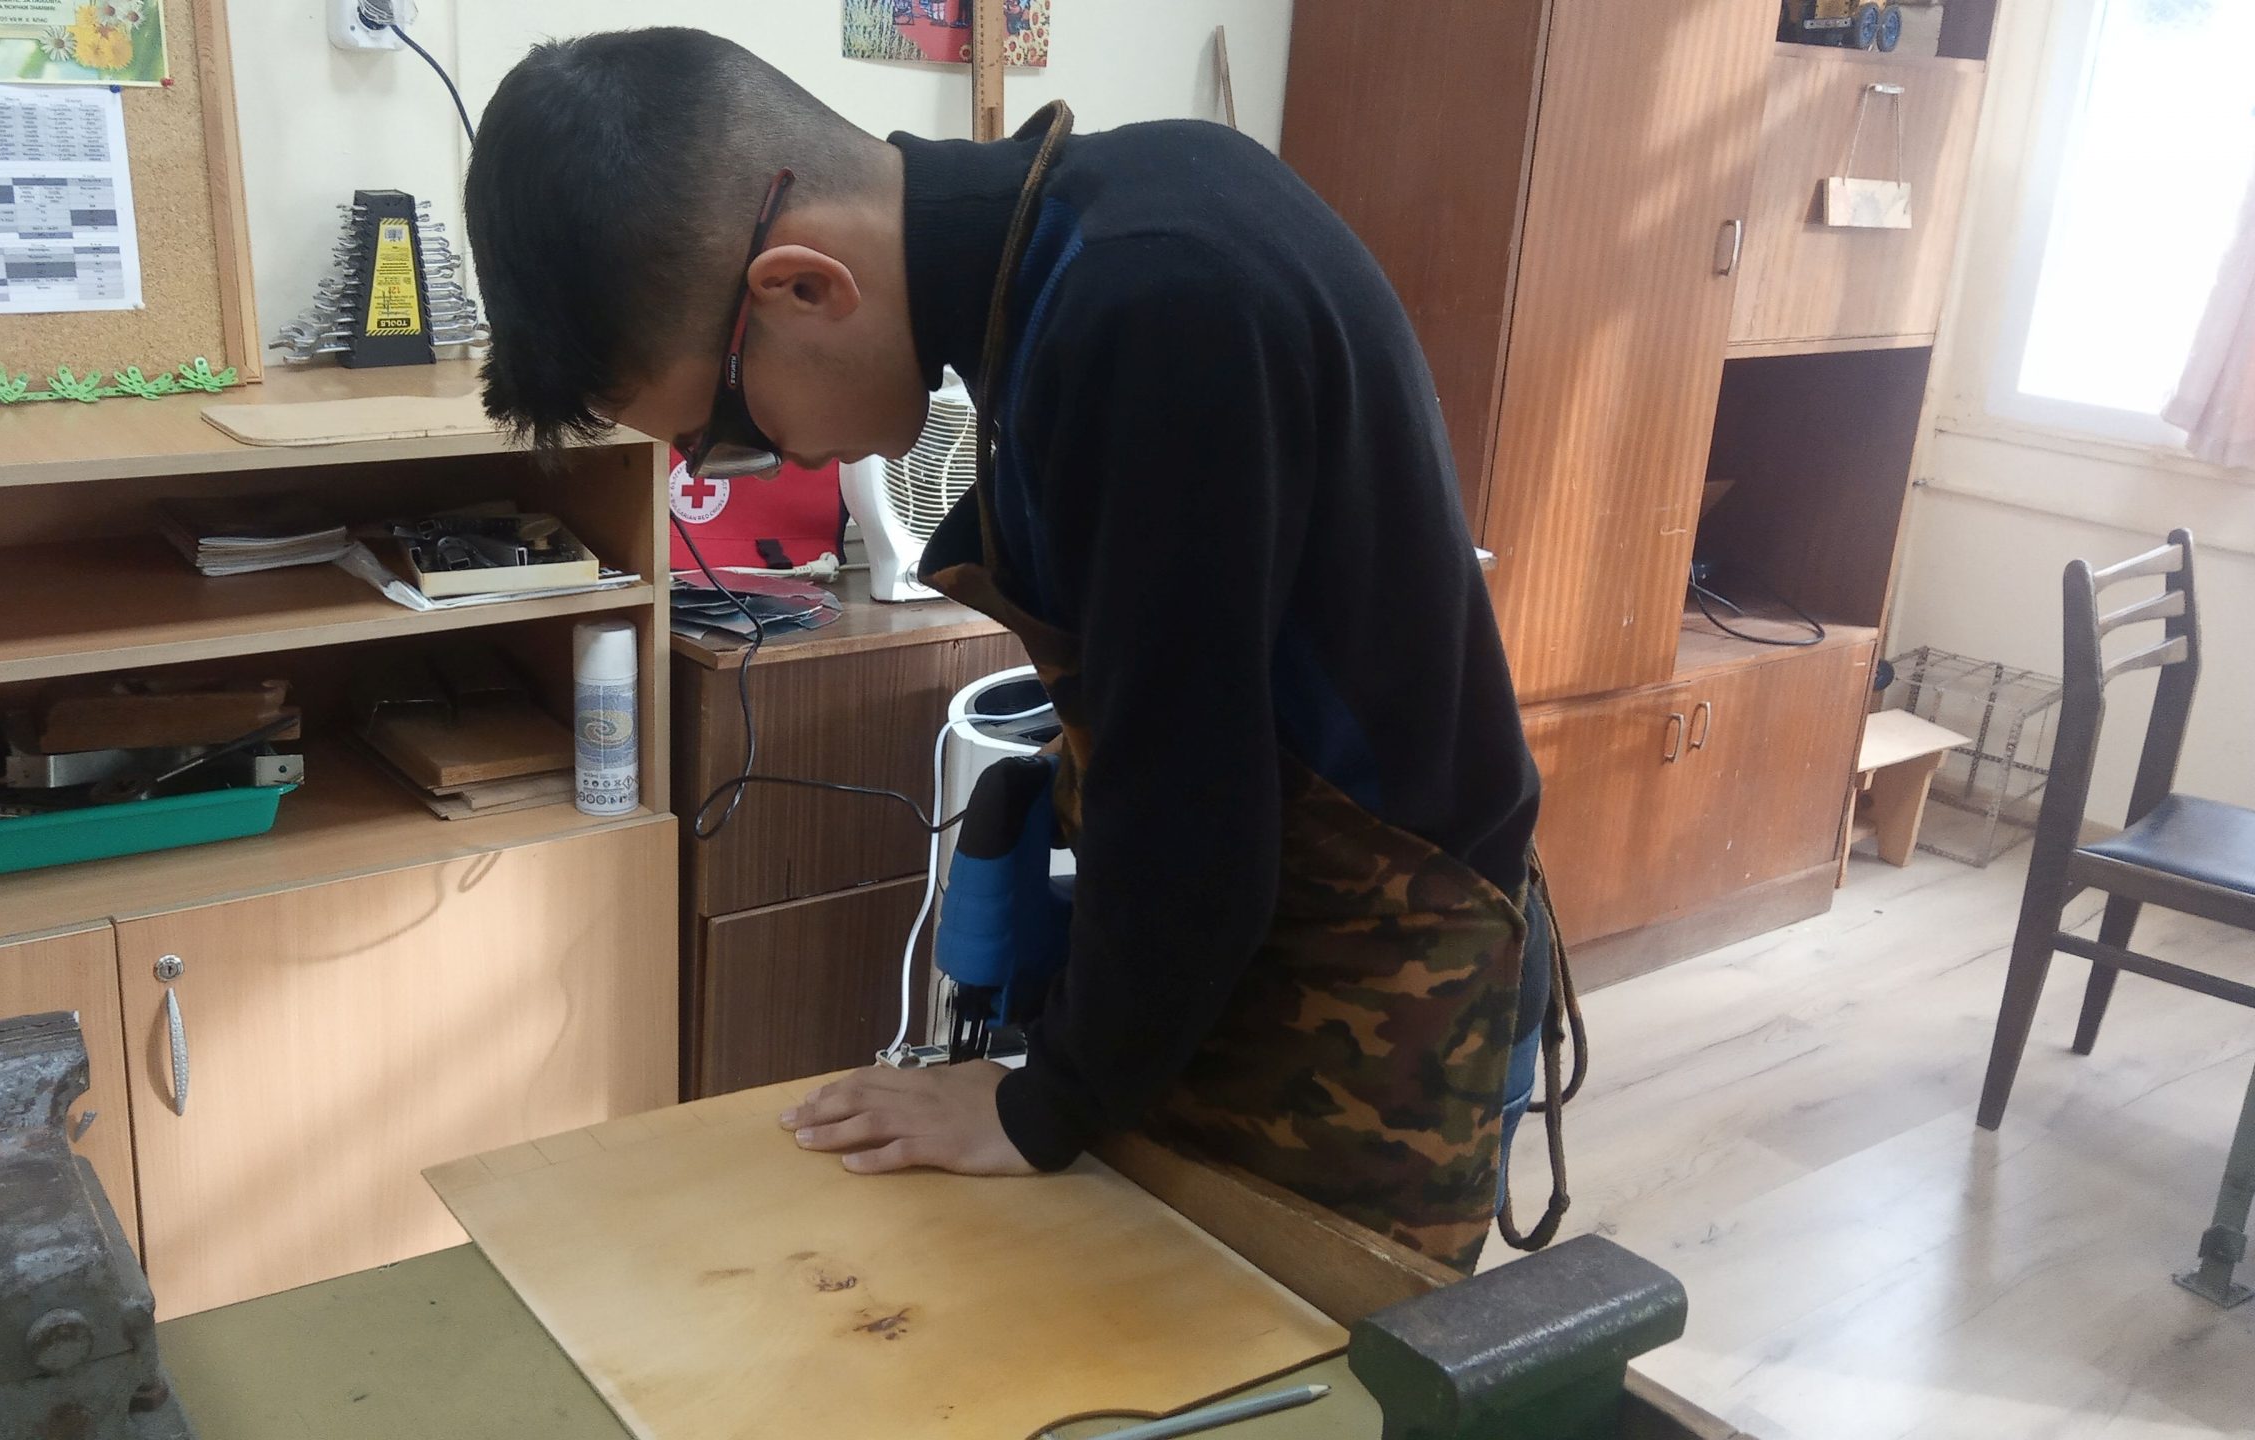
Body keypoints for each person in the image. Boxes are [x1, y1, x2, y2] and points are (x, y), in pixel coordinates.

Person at [464, 28, 1556, 1271]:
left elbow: (1193, 812)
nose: (768, 462)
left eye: (725, 430)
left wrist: (1045, 1103)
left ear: (803, 288)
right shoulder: (1084, 247)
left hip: (1375, 979)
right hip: (1264, 948)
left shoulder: (1153, 302)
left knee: (1291, 1361)